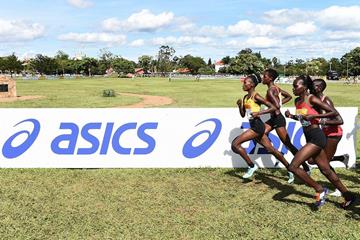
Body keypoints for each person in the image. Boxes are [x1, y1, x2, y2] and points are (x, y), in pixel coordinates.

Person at [285, 75, 355, 208]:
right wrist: (291, 116)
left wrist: (316, 116)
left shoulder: (311, 98)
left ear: (304, 87)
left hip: (317, 137)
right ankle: (349, 196)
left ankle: (320, 189)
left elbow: (333, 112)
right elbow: (304, 119)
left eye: (296, 86)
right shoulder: (297, 101)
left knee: (293, 166)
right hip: (309, 136)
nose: (293, 88)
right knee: (326, 170)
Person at [231, 74, 294, 181]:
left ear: (251, 85)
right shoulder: (246, 97)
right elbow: (243, 114)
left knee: (235, 144)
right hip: (254, 125)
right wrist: (239, 106)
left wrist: (259, 113)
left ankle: (252, 166)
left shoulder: (256, 96)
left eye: (245, 82)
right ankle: (290, 169)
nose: (243, 84)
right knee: (271, 150)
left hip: (257, 127)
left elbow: (273, 107)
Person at [262, 69, 311, 182]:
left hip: (278, 120)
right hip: (273, 119)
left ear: (270, 78)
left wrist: (266, 108)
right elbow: (288, 96)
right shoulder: (276, 88)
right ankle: (276, 154)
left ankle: (305, 167)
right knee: (260, 134)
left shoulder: (271, 90)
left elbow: (277, 107)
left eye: (264, 76)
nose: (262, 78)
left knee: (288, 144)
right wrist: (277, 103)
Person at [312, 78, 350, 197]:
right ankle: (341, 158)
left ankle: (340, 189)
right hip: (325, 134)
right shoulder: (315, 100)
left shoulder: (326, 100)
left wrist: (321, 122)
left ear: (319, 88)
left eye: (312, 86)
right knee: (312, 160)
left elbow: (339, 120)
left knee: (324, 163)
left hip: (334, 134)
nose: (310, 87)